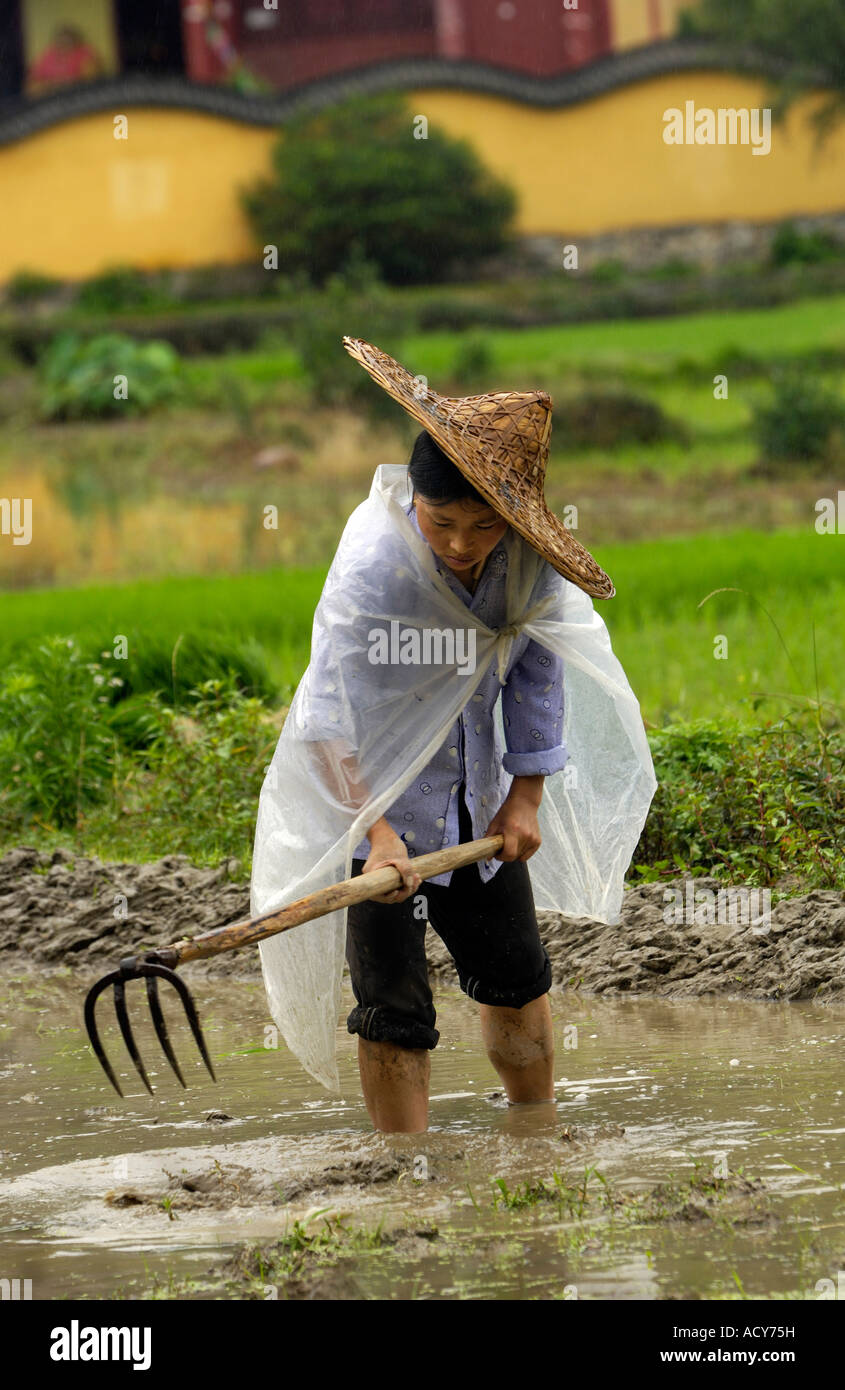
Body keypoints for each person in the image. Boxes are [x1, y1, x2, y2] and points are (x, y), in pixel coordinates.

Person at [249, 337, 656, 1132]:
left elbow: (539, 672)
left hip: (479, 808)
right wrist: (379, 835)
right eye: (443, 523)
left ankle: (533, 1136)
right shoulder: (373, 568)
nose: (464, 546)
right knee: (392, 1007)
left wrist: (525, 798)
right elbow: (330, 716)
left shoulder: (526, 564)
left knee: (515, 978)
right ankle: (404, 1175)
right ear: (414, 505)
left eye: (484, 526)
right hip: (374, 807)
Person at [28, 25, 103, 96]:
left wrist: (67, 84)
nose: (63, 45)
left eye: (68, 41)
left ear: (75, 41)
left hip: (79, 96)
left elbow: (91, 78)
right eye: (61, 41)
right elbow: (32, 87)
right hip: (52, 99)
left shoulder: (84, 52)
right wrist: (50, 86)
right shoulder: (47, 55)